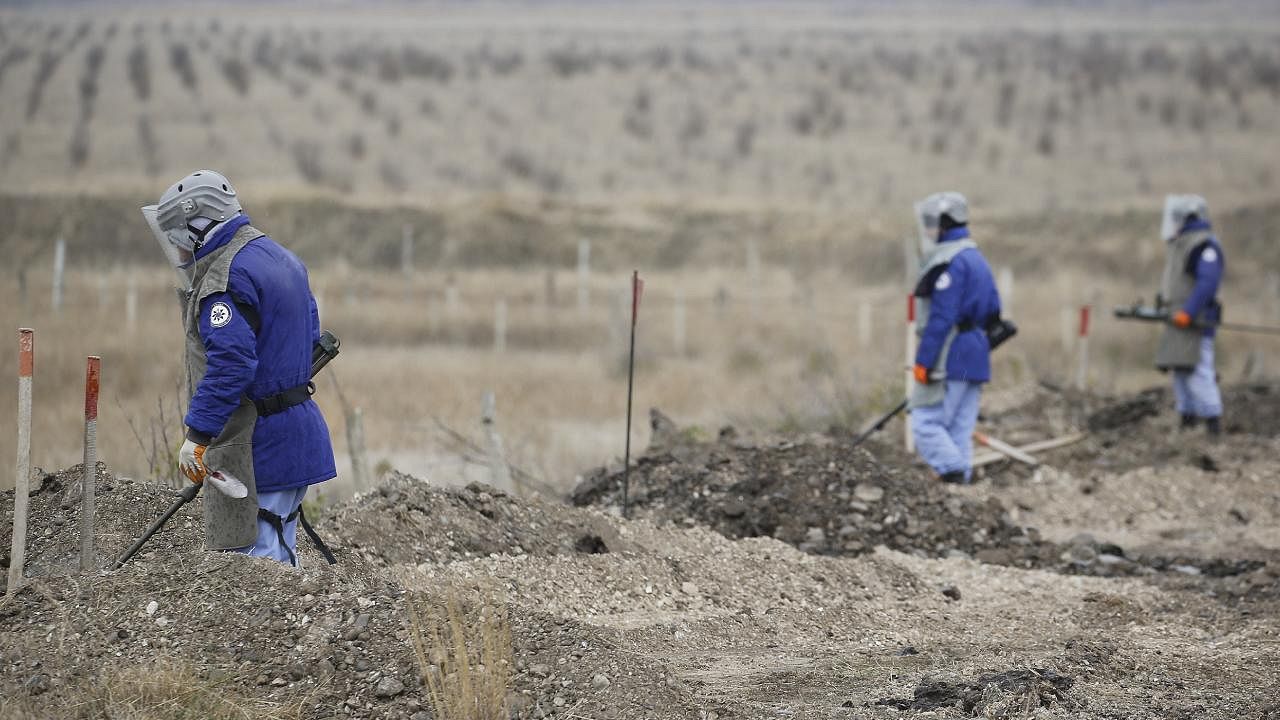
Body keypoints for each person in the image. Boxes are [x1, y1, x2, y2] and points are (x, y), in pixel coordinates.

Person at [142, 170, 337, 566]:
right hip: (297, 438)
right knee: (281, 552)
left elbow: (232, 363)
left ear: (200, 225)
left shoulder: (226, 275)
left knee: (258, 566)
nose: (178, 251)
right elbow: (309, 336)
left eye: (179, 237)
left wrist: (197, 435)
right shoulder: (282, 258)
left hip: (258, 447)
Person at [908, 192, 1002, 484]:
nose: (927, 230)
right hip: (976, 354)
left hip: (953, 354)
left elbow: (941, 318)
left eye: (930, 223)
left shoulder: (951, 262)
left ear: (945, 224)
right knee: (959, 430)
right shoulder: (976, 258)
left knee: (925, 423)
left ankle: (953, 475)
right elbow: (994, 311)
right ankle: (961, 498)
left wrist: (923, 362)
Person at [1156, 194, 1224, 435]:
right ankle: (1188, 420)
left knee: (1200, 372)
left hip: (1196, 324)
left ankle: (1212, 424)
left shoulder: (1203, 246)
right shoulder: (1183, 243)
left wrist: (1189, 312)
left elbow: (1207, 283)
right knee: (1181, 372)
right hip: (1179, 323)